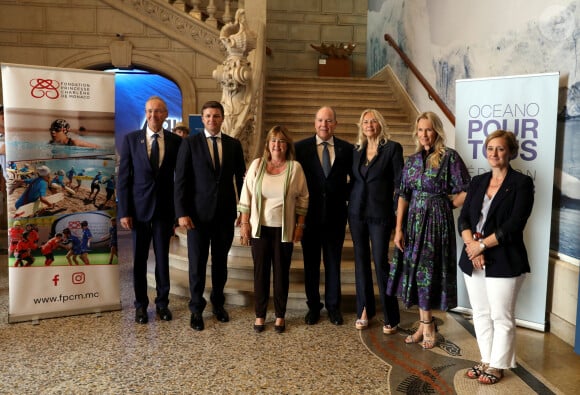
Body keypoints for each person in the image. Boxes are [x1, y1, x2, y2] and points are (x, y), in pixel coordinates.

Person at [387, 111, 470, 349]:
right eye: (421, 130)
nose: (425, 135)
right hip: (412, 224)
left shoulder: (449, 157)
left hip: (436, 225)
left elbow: (467, 188)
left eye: (429, 129)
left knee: (430, 273)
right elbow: (403, 194)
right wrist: (399, 229)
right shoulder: (412, 161)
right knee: (416, 272)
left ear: (437, 132)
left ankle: (428, 325)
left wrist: (447, 204)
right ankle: (425, 325)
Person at [458, 130, 534, 385]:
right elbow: (464, 218)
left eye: (500, 149)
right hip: (473, 256)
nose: (494, 153)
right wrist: (472, 246)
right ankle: (486, 359)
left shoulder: (522, 183)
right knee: (480, 312)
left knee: (501, 316)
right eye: (490, 148)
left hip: (504, 257)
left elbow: (514, 225)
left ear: (510, 152)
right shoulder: (478, 181)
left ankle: (499, 365)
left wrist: (481, 246)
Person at [174, 100, 246, 331]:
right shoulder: (190, 144)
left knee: (220, 263)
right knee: (197, 264)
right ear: (202, 119)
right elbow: (181, 181)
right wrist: (182, 213)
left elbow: (242, 180)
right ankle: (196, 309)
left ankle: (218, 304)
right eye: (208, 116)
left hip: (224, 215)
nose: (212, 120)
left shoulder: (233, 145)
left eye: (216, 116)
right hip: (197, 217)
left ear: (222, 118)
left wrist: (242, 210)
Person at [117, 96, 182, 324]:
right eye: (149, 111)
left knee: (163, 260)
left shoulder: (175, 141)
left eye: (157, 111)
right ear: (145, 114)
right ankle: (141, 306)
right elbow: (124, 178)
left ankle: (162, 304)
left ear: (165, 114)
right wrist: (124, 211)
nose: (153, 115)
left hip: (165, 211)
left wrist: (178, 212)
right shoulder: (132, 140)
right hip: (138, 211)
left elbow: (180, 179)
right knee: (139, 260)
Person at [238, 125, 309, 333]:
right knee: (260, 273)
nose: (277, 145)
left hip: (284, 229)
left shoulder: (294, 168)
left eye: (281, 141)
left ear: (287, 146)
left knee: (281, 273)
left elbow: (304, 196)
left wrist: (300, 225)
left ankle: (280, 315)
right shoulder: (257, 165)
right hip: (260, 228)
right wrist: (244, 223)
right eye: (273, 141)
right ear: (268, 144)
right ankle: (260, 315)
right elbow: (247, 193)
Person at [295, 106, 353, 325]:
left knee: (333, 264)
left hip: (336, 217)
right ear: (314, 123)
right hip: (309, 217)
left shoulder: (347, 149)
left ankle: (333, 307)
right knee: (310, 265)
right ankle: (313, 307)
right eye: (320, 120)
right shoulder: (300, 148)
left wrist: (341, 194)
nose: (324, 125)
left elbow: (354, 180)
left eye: (329, 121)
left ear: (335, 124)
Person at [348, 109, 403, 334]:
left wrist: (396, 216)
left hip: (380, 214)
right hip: (356, 213)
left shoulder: (392, 148)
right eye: (365, 121)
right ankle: (364, 309)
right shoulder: (356, 150)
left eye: (373, 121)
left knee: (381, 263)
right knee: (360, 262)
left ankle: (391, 315)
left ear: (380, 124)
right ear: (360, 126)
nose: (369, 124)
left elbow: (400, 185)